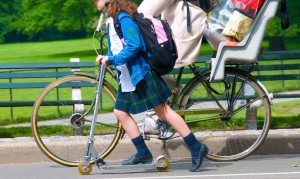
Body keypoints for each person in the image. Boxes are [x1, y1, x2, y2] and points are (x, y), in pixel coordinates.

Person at [94, 0, 208, 172]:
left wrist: (112, 59)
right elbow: (119, 47)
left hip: (141, 73)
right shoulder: (113, 19)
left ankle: (195, 146)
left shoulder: (122, 17)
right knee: (120, 112)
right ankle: (142, 151)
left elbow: (134, 45)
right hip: (129, 76)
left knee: (163, 111)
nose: (94, 2)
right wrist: (107, 57)